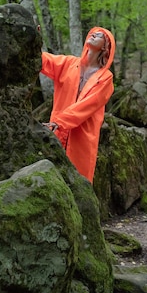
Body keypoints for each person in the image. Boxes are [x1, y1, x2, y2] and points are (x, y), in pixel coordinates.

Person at [39, 26, 115, 183]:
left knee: (77, 183)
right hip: (56, 131)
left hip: (82, 139)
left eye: (99, 35)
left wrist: (59, 122)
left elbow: (86, 106)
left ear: (105, 46)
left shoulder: (106, 79)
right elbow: (42, 60)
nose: (94, 35)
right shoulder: (68, 63)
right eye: (93, 33)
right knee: (52, 179)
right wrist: (33, 38)